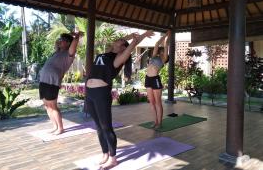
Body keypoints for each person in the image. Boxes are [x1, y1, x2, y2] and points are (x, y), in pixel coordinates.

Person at [85, 30, 154, 169]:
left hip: (101, 93)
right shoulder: (108, 52)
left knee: (106, 127)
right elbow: (122, 40)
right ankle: (105, 153)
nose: (118, 40)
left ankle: (113, 158)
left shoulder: (118, 59)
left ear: (123, 48)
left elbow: (131, 46)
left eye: (121, 42)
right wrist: (127, 38)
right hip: (90, 93)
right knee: (98, 127)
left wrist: (141, 37)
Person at [39, 32, 83, 135]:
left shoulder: (69, 54)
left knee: (53, 106)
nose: (60, 41)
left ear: (68, 43)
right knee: (47, 106)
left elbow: (73, 45)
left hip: (52, 81)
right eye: (60, 39)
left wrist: (76, 37)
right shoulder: (57, 52)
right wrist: (62, 39)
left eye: (62, 40)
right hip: (43, 80)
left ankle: (60, 128)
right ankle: (55, 126)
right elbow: (56, 43)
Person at [145, 30, 171, 129]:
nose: (162, 52)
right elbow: (156, 44)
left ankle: (159, 123)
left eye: (164, 52)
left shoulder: (163, 59)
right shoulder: (154, 56)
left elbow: (165, 45)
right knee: (151, 102)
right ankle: (155, 121)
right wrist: (163, 35)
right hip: (147, 79)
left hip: (155, 79)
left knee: (158, 102)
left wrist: (167, 37)